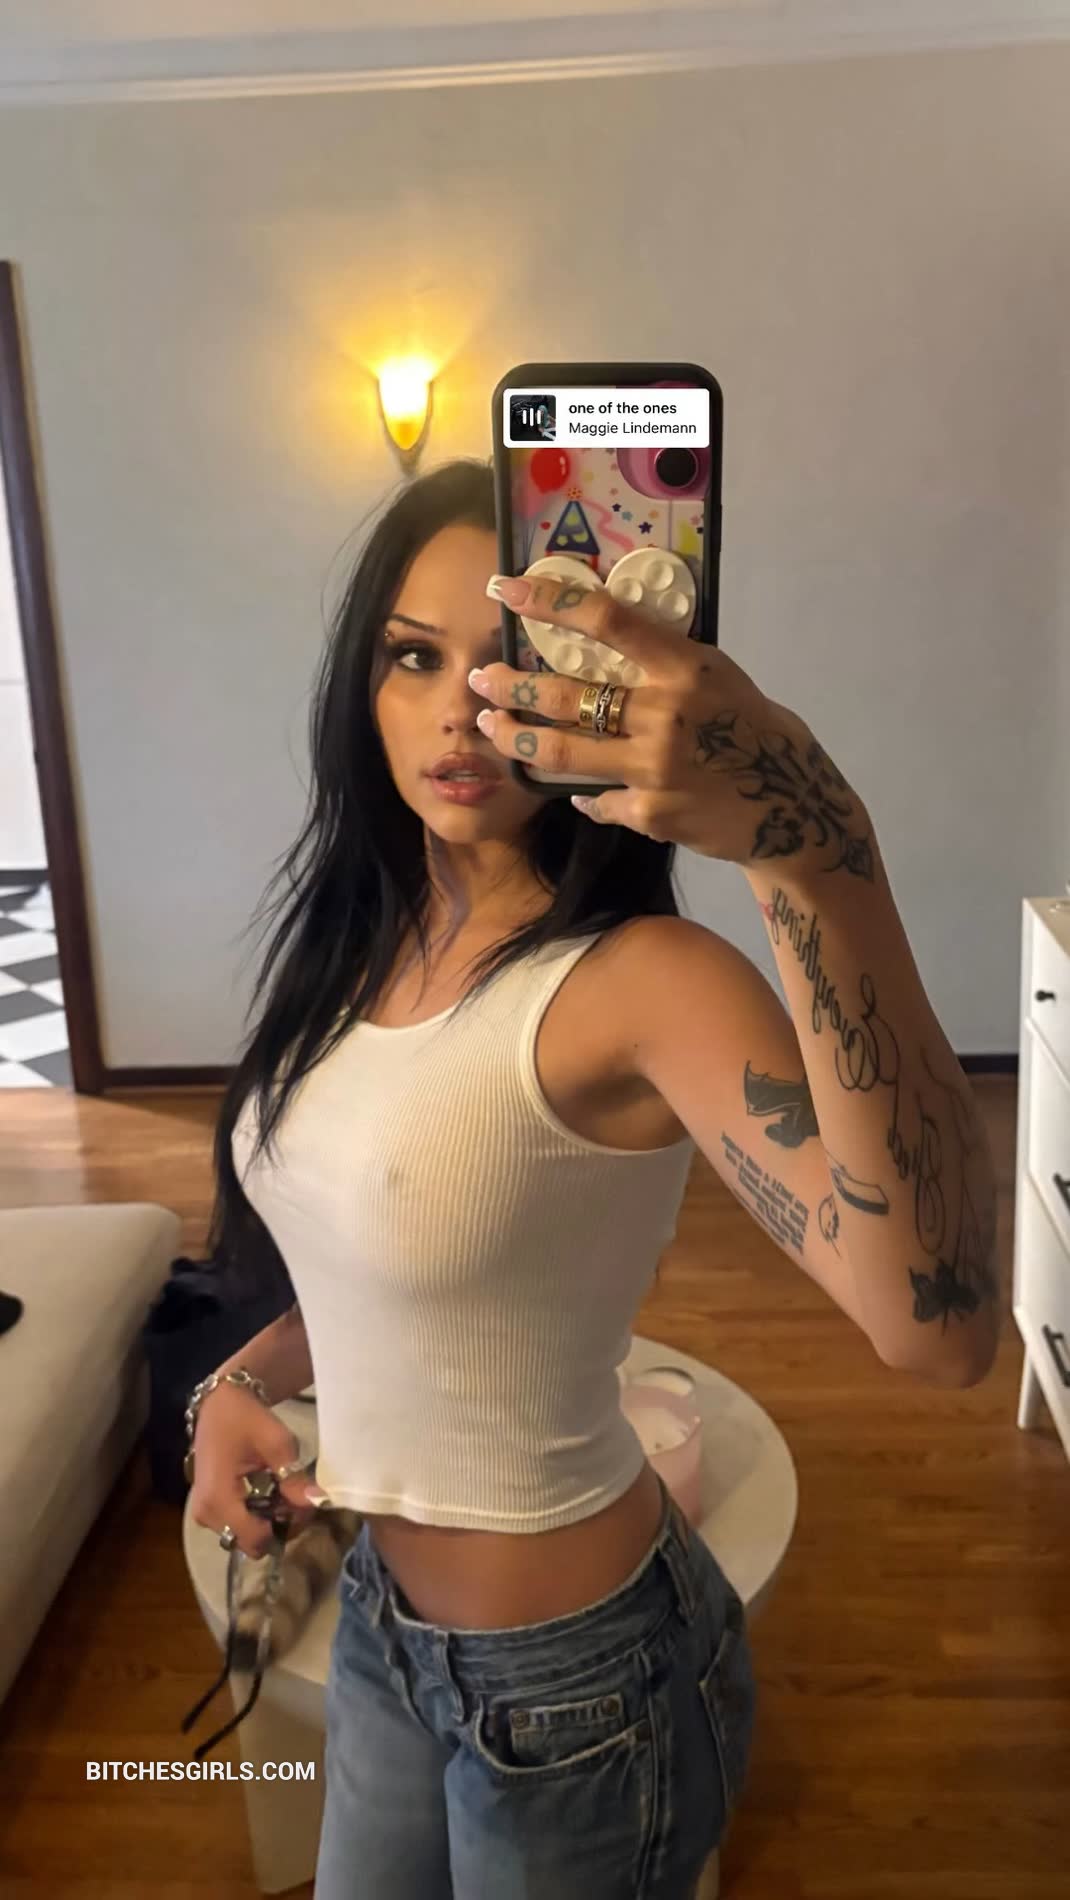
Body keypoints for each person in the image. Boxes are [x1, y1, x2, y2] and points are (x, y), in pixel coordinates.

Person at [188, 458, 1000, 1897]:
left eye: (517, 659)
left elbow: (937, 1332)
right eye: (413, 657)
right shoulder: (358, 940)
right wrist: (240, 1383)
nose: (461, 709)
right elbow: (390, 1260)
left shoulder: (644, 983)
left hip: (581, 1689)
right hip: (382, 1623)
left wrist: (810, 843)